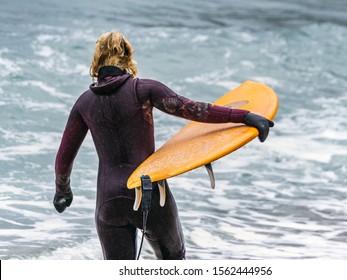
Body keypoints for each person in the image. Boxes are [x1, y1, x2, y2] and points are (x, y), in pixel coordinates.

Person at [53, 31, 274, 260]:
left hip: (109, 202)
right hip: (150, 192)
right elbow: (194, 110)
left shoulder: (83, 103)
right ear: (128, 57)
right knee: (174, 262)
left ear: (96, 62)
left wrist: (63, 191)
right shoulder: (144, 90)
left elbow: (64, 157)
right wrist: (245, 116)